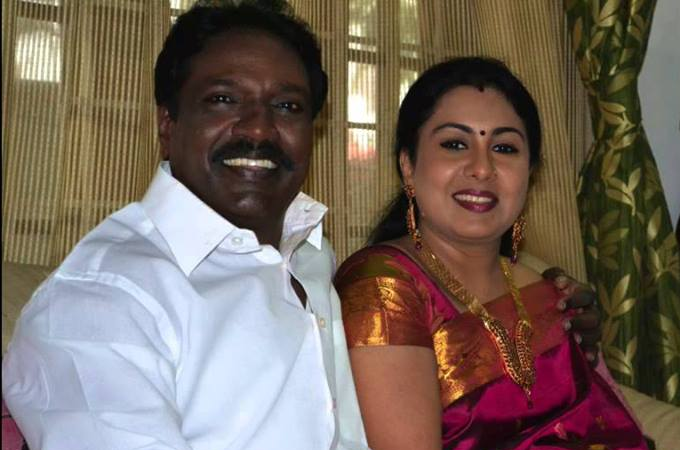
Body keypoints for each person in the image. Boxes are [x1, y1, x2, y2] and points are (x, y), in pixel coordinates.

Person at [1, 3, 368, 449]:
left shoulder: (309, 255)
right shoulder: (99, 301)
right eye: (223, 100)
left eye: (287, 106)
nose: (259, 130)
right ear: (167, 124)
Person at [334, 57, 646, 450]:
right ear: (408, 165)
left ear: (530, 173)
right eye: (455, 144)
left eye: (504, 147)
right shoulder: (384, 287)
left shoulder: (549, 292)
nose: (482, 168)